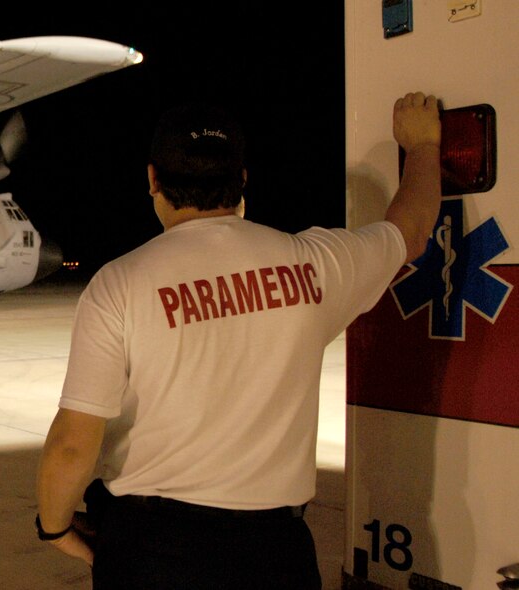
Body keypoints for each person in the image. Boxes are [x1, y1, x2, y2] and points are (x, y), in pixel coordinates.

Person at [35, 93, 441, 588]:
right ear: (242, 179)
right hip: (274, 551)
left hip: (153, 550)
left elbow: (73, 444)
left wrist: (53, 528)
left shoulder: (119, 284)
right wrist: (423, 147)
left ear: (153, 179)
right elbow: (413, 229)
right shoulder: (313, 263)